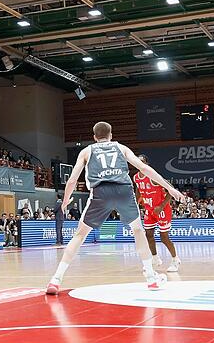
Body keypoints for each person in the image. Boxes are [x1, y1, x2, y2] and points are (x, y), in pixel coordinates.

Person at [45, 122, 183, 295]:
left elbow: (72, 180)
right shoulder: (121, 147)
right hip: (124, 190)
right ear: (111, 135)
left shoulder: (87, 151)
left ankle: (56, 280)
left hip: (100, 192)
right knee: (138, 231)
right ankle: (150, 277)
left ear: (94, 137)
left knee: (79, 235)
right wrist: (169, 187)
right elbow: (144, 168)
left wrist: (65, 202)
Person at [134, 154, 180, 272]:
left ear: (147, 163)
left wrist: (161, 206)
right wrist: (136, 203)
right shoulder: (136, 178)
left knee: (164, 237)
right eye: (138, 161)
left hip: (162, 210)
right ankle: (155, 258)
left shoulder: (153, 176)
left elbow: (171, 188)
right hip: (149, 210)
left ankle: (175, 260)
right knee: (148, 235)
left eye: (142, 161)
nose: (140, 163)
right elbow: (139, 190)